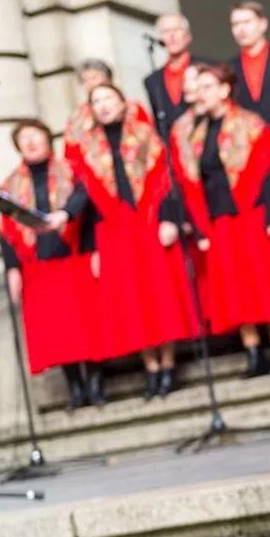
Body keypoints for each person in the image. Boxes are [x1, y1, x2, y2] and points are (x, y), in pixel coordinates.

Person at [63, 83, 200, 398]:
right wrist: (87, 242)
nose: (104, 105)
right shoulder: (88, 150)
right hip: (113, 229)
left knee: (159, 294)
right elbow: (84, 196)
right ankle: (150, 367)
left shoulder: (146, 135)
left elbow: (167, 179)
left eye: (109, 98)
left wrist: (170, 218)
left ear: (123, 102)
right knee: (130, 300)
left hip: (149, 222)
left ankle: (168, 365)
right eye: (96, 101)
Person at [171, 64, 270, 377]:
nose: (200, 94)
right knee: (235, 288)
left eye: (206, 87)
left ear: (223, 90)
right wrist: (200, 225)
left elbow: (269, 173)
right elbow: (193, 181)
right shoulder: (195, 133)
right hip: (220, 219)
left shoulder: (250, 124)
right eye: (199, 88)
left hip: (254, 212)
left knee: (265, 282)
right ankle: (253, 353)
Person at [0, 119, 103, 409]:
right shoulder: (11, 186)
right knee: (58, 330)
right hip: (39, 265)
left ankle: (95, 381)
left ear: (47, 138)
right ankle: (75, 387)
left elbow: (88, 206)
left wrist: (92, 247)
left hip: (73, 255)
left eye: (35, 135)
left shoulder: (70, 171)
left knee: (86, 323)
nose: (30, 142)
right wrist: (12, 268)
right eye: (24, 138)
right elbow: (6, 231)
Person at [143, 13, 215, 144]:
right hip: (174, 150)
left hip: (209, 141)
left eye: (176, 30)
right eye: (166, 31)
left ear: (188, 36)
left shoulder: (209, 67)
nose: (171, 36)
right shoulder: (153, 81)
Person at [229, 0, 270, 131]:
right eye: (235, 24)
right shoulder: (230, 68)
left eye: (247, 22)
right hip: (251, 142)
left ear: (263, 24)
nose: (241, 29)